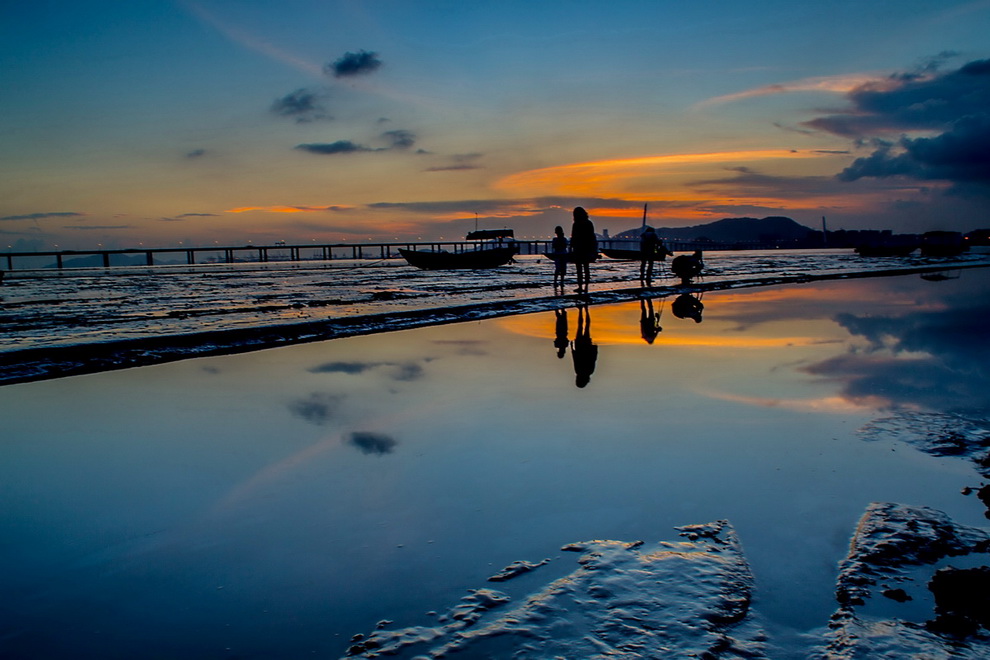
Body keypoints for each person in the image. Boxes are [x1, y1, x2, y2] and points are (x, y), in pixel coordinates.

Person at [569, 207, 597, 292]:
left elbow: (573, 237)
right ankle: (586, 286)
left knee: (579, 269)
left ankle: (580, 286)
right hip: (586, 248)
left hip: (578, 248)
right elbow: (592, 237)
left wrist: (571, 248)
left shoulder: (576, 224)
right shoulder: (589, 223)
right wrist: (593, 250)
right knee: (586, 267)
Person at [571, 304, 598, 387]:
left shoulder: (589, 371)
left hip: (585, 347)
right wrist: (572, 348)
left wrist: (595, 349)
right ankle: (581, 310)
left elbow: (594, 358)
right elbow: (575, 359)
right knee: (581, 327)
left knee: (586, 327)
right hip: (581, 347)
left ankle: (585, 310)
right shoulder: (580, 371)